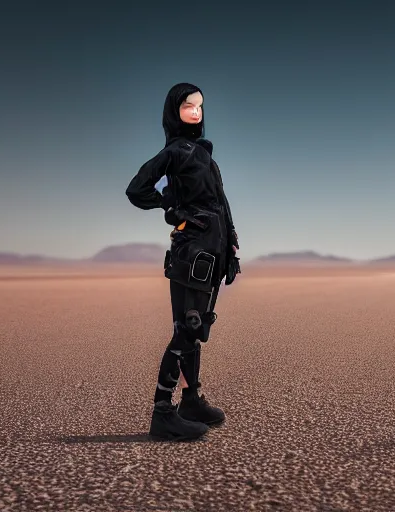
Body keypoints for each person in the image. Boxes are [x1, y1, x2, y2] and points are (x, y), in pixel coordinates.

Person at [126, 82, 241, 441]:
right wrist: (172, 210)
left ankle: (191, 400)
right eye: (188, 106)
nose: (196, 111)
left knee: (198, 328)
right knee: (186, 329)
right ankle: (162, 413)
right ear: (174, 110)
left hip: (212, 253)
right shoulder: (175, 152)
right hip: (191, 254)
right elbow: (137, 188)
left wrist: (232, 245)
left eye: (200, 106)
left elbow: (221, 203)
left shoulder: (205, 154)